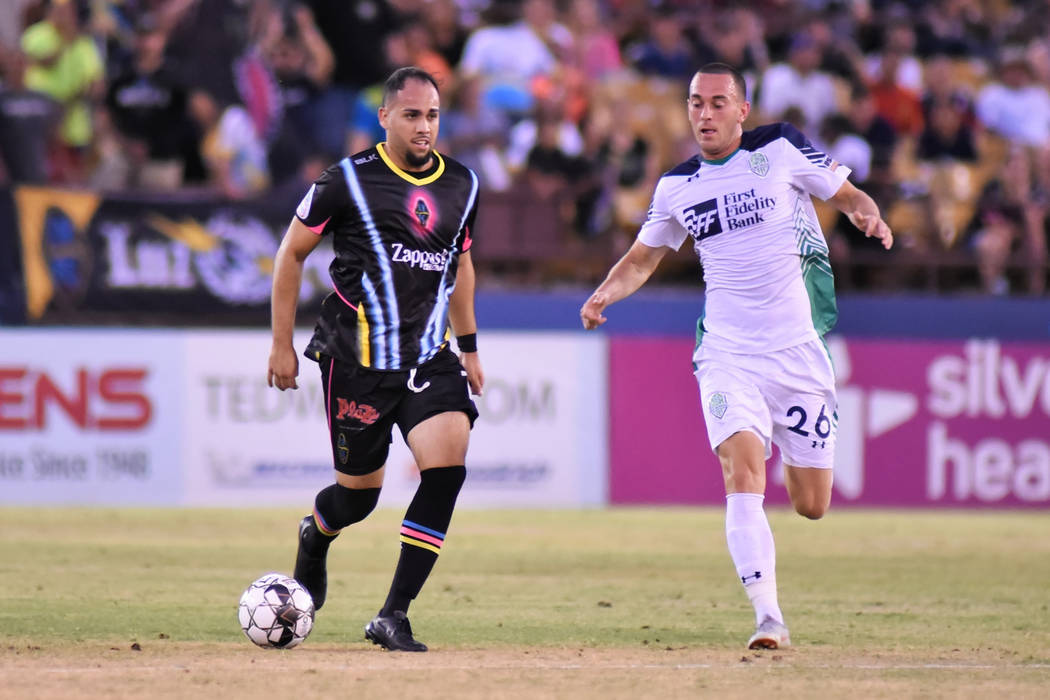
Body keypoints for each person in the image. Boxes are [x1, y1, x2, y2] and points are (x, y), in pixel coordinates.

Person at [580, 63, 893, 649]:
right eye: (696, 102)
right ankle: (768, 618)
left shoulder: (779, 148)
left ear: (742, 110)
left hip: (797, 351)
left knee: (811, 503)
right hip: (728, 352)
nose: (705, 113)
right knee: (741, 474)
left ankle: (773, 593)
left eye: (718, 102)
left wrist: (864, 212)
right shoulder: (676, 186)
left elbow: (846, 193)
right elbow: (644, 257)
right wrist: (605, 293)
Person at [267, 66, 485, 652]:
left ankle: (394, 614)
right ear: (384, 117)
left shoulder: (462, 184)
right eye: (411, 115)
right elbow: (291, 254)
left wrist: (467, 347)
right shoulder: (346, 181)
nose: (424, 126)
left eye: (433, 115)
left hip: (428, 358)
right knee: (358, 497)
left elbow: (460, 266)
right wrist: (281, 344)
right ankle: (316, 534)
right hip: (356, 360)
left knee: (447, 468)